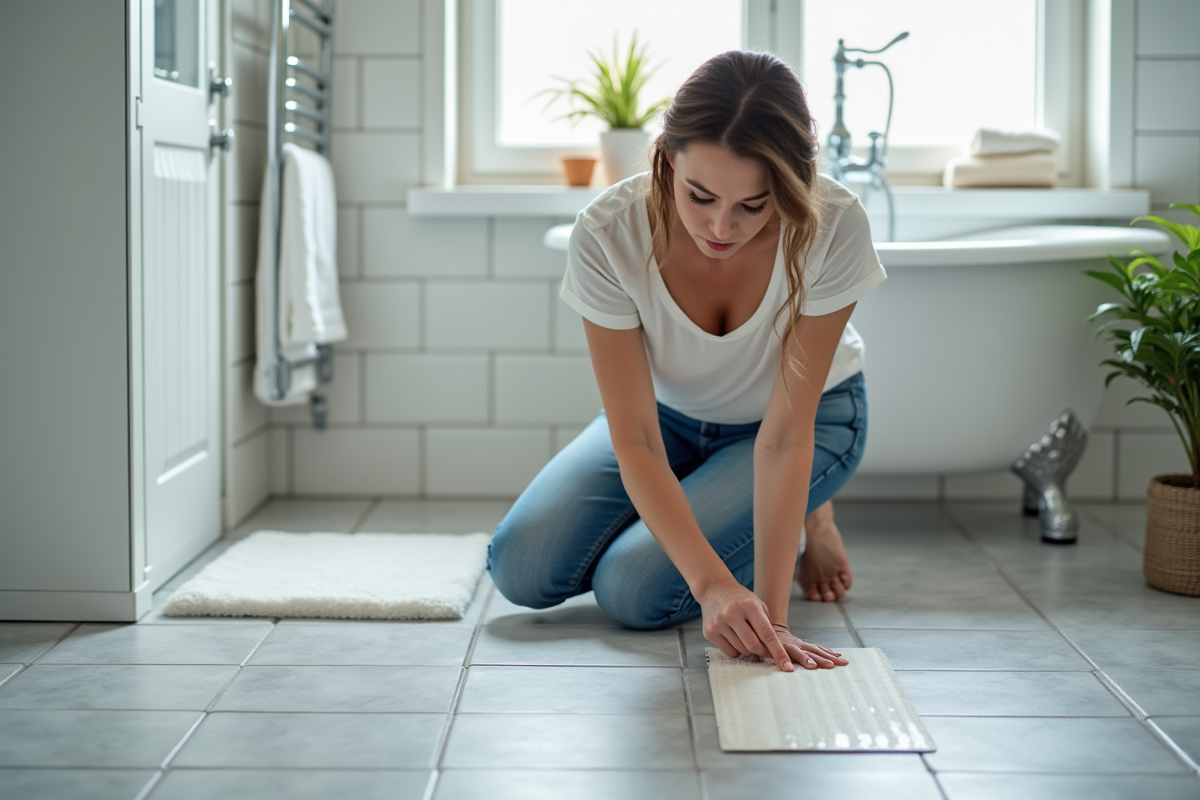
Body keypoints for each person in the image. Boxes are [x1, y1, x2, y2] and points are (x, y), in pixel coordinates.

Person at [487, 50, 885, 673]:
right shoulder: (608, 233)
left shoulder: (833, 224)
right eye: (700, 196)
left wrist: (771, 620)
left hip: (800, 423)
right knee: (522, 569)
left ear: (791, 187)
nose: (721, 227)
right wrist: (712, 584)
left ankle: (811, 514)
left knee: (633, 588)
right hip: (667, 422)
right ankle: (717, 501)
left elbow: (784, 438)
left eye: (754, 205)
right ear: (667, 159)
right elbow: (636, 439)